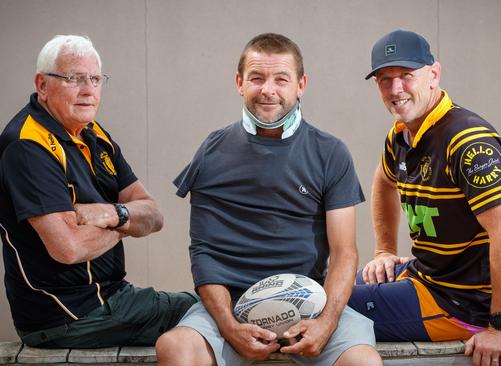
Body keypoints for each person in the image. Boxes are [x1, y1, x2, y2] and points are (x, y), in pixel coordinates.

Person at [155, 33, 382, 366]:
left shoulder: (330, 152)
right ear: (239, 82)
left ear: (301, 84)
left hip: (311, 305)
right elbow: (204, 252)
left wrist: (326, 322)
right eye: (257, 78)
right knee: (174, 347)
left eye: (281, 79)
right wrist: (229, 326)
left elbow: (345, 251)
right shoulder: (213, 151)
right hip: (230, 305)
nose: (268, 90)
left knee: (363, 362)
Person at [0, 35, 198, 348]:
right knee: (208, 313)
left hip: (107, 299)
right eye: (73, 79)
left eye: (95, 79)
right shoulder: (28, 146)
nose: (88, 90)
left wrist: (109, 213)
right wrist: (127, 222)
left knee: (210, 311)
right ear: (42, 85)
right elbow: (69, 247)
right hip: (68, 316)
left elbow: (153, 214)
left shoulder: (93, 133)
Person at [348, 30, 501, 366]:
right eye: (385, 79)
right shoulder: (402, 133)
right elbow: (384, 181)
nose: (395, 89)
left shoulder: (469, 142)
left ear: (434, 74)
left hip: (457, 304)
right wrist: (385, 251)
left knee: (325, 310)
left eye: (406, 76)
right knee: (330, 287)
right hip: (425, 276)